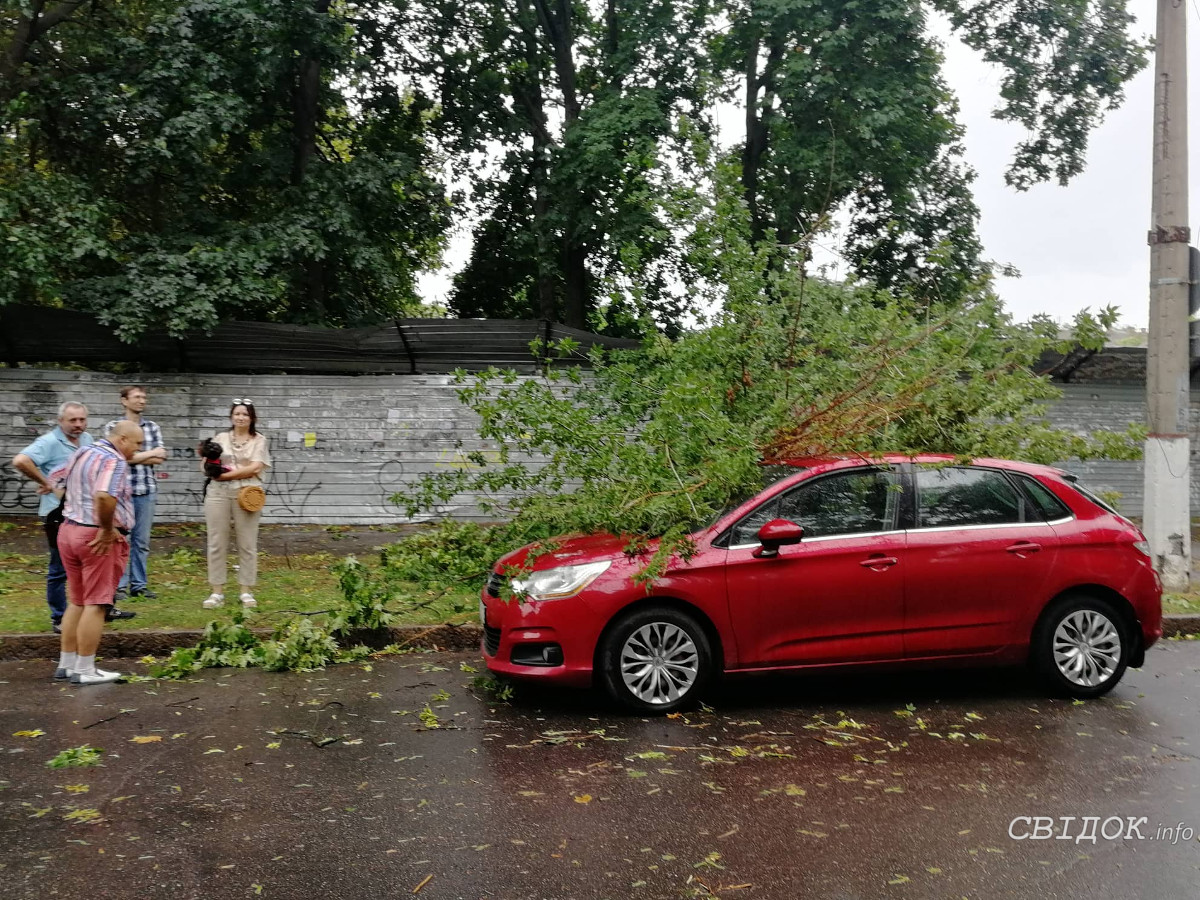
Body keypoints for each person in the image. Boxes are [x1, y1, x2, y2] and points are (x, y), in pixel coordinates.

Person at [53, 420, 143, 685]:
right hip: (95, 538)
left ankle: (67, 664)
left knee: (77, 601)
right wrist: (105, 528)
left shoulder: (83, 451)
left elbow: (57, 481)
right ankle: (85, 669)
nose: (137, 450)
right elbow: (104, 496)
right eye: (137, 444)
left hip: (69, 531)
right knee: (98, 603)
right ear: (123, 439)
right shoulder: (114, 461)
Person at [11, 401, 95, 634]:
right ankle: (59, 617)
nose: (78, 425)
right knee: (59, 567)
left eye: (82, 420)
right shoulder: (49, 442)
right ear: (61, 421)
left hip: (82, 513)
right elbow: (20, 460)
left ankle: (90, 612)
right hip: (56, 514)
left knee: (86, 564)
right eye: (73, 420)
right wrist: (46, 482)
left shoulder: (87, 439)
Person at [202, 399, 271, 609]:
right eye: (237, 414)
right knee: (216, 542)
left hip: (247, 494)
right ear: (231, 416)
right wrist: (209, 463)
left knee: (247, 543)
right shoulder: (221, 437)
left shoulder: (259, 440)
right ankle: (217, 592)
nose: (241, 418)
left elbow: (255, 467)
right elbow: (206, 465)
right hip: (217, 494)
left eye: (245, 414)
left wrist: (225, 475)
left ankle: (246, 590)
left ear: (252, 418)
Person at [104, 386, 168, 601]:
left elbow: (160, 458)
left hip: (146, 490)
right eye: (137, 397)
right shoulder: (114, 427)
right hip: (120, 492)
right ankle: (119, 585)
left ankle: (139, 585)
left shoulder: (152, 427)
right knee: (120, 539)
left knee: (141, 541)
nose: (142, 401)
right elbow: (117, 456)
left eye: (144, 397)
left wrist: (134, 455)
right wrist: (149, 454)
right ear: (124, 400)